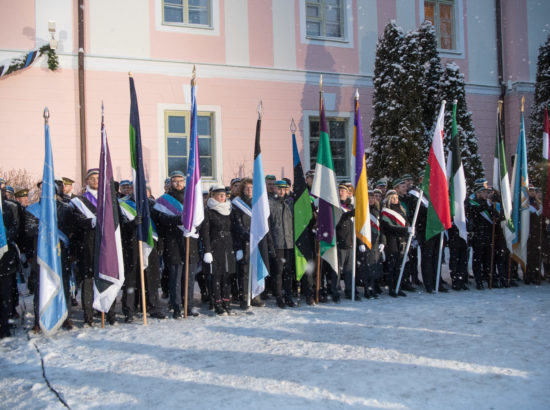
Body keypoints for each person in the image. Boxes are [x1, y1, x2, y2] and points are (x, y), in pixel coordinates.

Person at [71, 168, 116, 326]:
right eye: (93, 178)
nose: (96, 181)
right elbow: (76, 222)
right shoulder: (79, 201)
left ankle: (110, 314)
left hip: (107, 245)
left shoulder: (109, 200)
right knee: (88, 282)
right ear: (87, 181)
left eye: (99, 178)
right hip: (87, 246)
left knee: (107, 279)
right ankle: (88, 317)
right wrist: (92, 221)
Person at [153, 171, 199, 318]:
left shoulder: (192, 199)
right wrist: (179, 220)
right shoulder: (163, 200)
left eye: (180, 181)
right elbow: (160, 220)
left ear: (185, 182)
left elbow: (200, 220)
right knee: (175, 278)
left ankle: (189, 305)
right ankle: (176, 306)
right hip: (172, 243)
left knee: (189, 278)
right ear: (170, 183)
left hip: (190, 242)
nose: (178, 184)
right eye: (175, 181)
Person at [119, 193, 166, 322]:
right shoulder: (122, 204)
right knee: (131, 278)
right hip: (131, 244)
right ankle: (130, 310)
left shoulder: (152, 204)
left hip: (151, 244)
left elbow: (159, 224)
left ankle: (153, 306)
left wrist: (160, 242)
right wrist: (131, 224)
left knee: (151, 277)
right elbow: (119, 227)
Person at [201, 184, 238, 315]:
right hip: (215, 246)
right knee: (216, 277)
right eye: (220, 195)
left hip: (228, 246)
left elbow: (236, 229)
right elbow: (205, 233)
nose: (223, 198)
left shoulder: (229, 210)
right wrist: (207, 250)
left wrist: (241, 242)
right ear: (214, 196)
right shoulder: (208, 211)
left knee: (227, 276)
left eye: (224, 195)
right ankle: (217, 303)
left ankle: (227, 301)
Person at [231, 177, 265, 309]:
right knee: (244, 271)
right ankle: (244, 297)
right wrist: (247, 236)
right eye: (247, 188)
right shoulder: (237, 204)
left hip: (257, 241)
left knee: (256, 268)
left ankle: (255, 295)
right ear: (242, 189)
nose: (249, 190)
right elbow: (237, 224)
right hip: (243, 241)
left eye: (251, 188)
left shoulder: (258, 203)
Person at [268, 180, 296, 308]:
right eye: (279, 189)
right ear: (275, 189)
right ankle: (279, 296)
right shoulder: (270, 204)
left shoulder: (291, 203)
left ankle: (288, 295)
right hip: (277, 243)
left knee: (288, 271)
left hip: (289, 243)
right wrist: (271, 244)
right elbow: (268, 226)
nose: (282, 192)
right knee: (278, 272)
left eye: (285, 189)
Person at [380, 190, 412, 297]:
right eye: (393, 198)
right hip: (391, 240)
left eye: (396, 198)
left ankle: (399, 286)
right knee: (392, 265)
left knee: (399, 265)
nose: (395, 200)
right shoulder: (386, 211)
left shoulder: (401, 210)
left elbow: (406, 222)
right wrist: (404, 230)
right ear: (389, 199)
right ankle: (392, 288)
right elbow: (388, 227)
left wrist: (409, 228)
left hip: (401, 240)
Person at [0, 191, 22, 338]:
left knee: (4, 295)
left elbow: (15, 228)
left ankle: (3, 325)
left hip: (5, 258)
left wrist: (3, 239)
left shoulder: (8, 208)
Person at [466, 185, 497, 290]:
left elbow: (495, 216)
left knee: (488, 259)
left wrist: (491, 207)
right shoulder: (473, 203)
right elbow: (475, 212)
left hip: (488, 235)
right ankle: (479, 281)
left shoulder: (488, 204)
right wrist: (487, 204)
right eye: (483, 192)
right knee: (477, 259)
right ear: (477, 193)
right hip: (478, 235)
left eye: (486, 192)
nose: (486, 194)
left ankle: (489, 279)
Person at [358, 191, 384, 299]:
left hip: (376, 243)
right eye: (369, 198)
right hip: (366, 242)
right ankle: (366, 290)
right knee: (366, 269)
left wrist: (383, 242)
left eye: (373, 198)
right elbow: (359, 229)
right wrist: (360, 242)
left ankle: (372, 288)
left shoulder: (378, 211)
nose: (372, 200)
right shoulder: (362, 212)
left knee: (374, 268)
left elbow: (381, 229)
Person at [336, 183, 358, 302]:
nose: (341, 193)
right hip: (340, 242)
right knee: (338, 271)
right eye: (339, 190)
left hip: (350, 242)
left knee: (349, 271)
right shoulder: (336, 205)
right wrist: (350, 213)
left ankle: (350, 291)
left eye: (343, 191)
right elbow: (339, 218)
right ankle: (336, 292)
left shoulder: (351, 205)